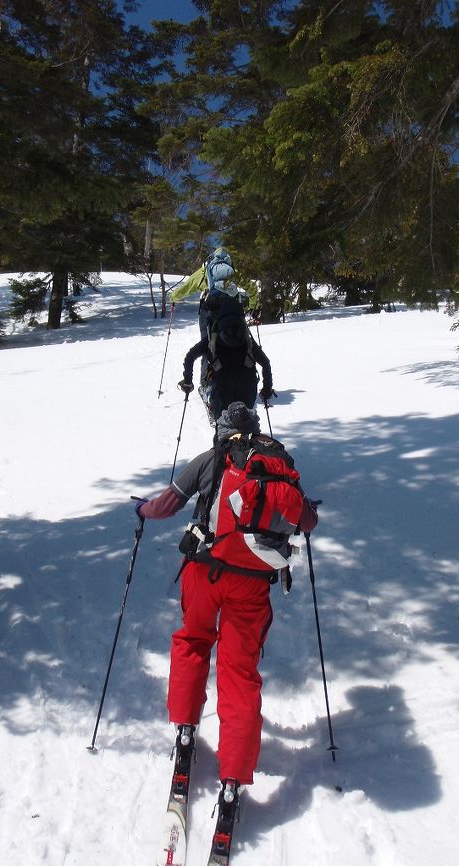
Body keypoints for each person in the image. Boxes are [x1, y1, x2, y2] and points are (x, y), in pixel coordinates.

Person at [135, 402, 318, 798]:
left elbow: (167, 505)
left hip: (204, 571)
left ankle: (185, 727)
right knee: (239, 673)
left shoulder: (210, 460)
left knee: (193, 641)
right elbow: (307, 522)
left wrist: (142, 510)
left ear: (220, 431)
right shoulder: (276, 465)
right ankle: (233, 775)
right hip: (252, 584)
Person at [178, 295, 274, 420]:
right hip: (247, 387)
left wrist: (187, 382)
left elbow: (190, 356)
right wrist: (267, 389)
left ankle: (223, 439)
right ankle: (248, 438)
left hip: (221, 388)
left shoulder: (213, 337)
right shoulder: (247, 339)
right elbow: (265, 363)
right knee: (247, 425)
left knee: (223, 428)